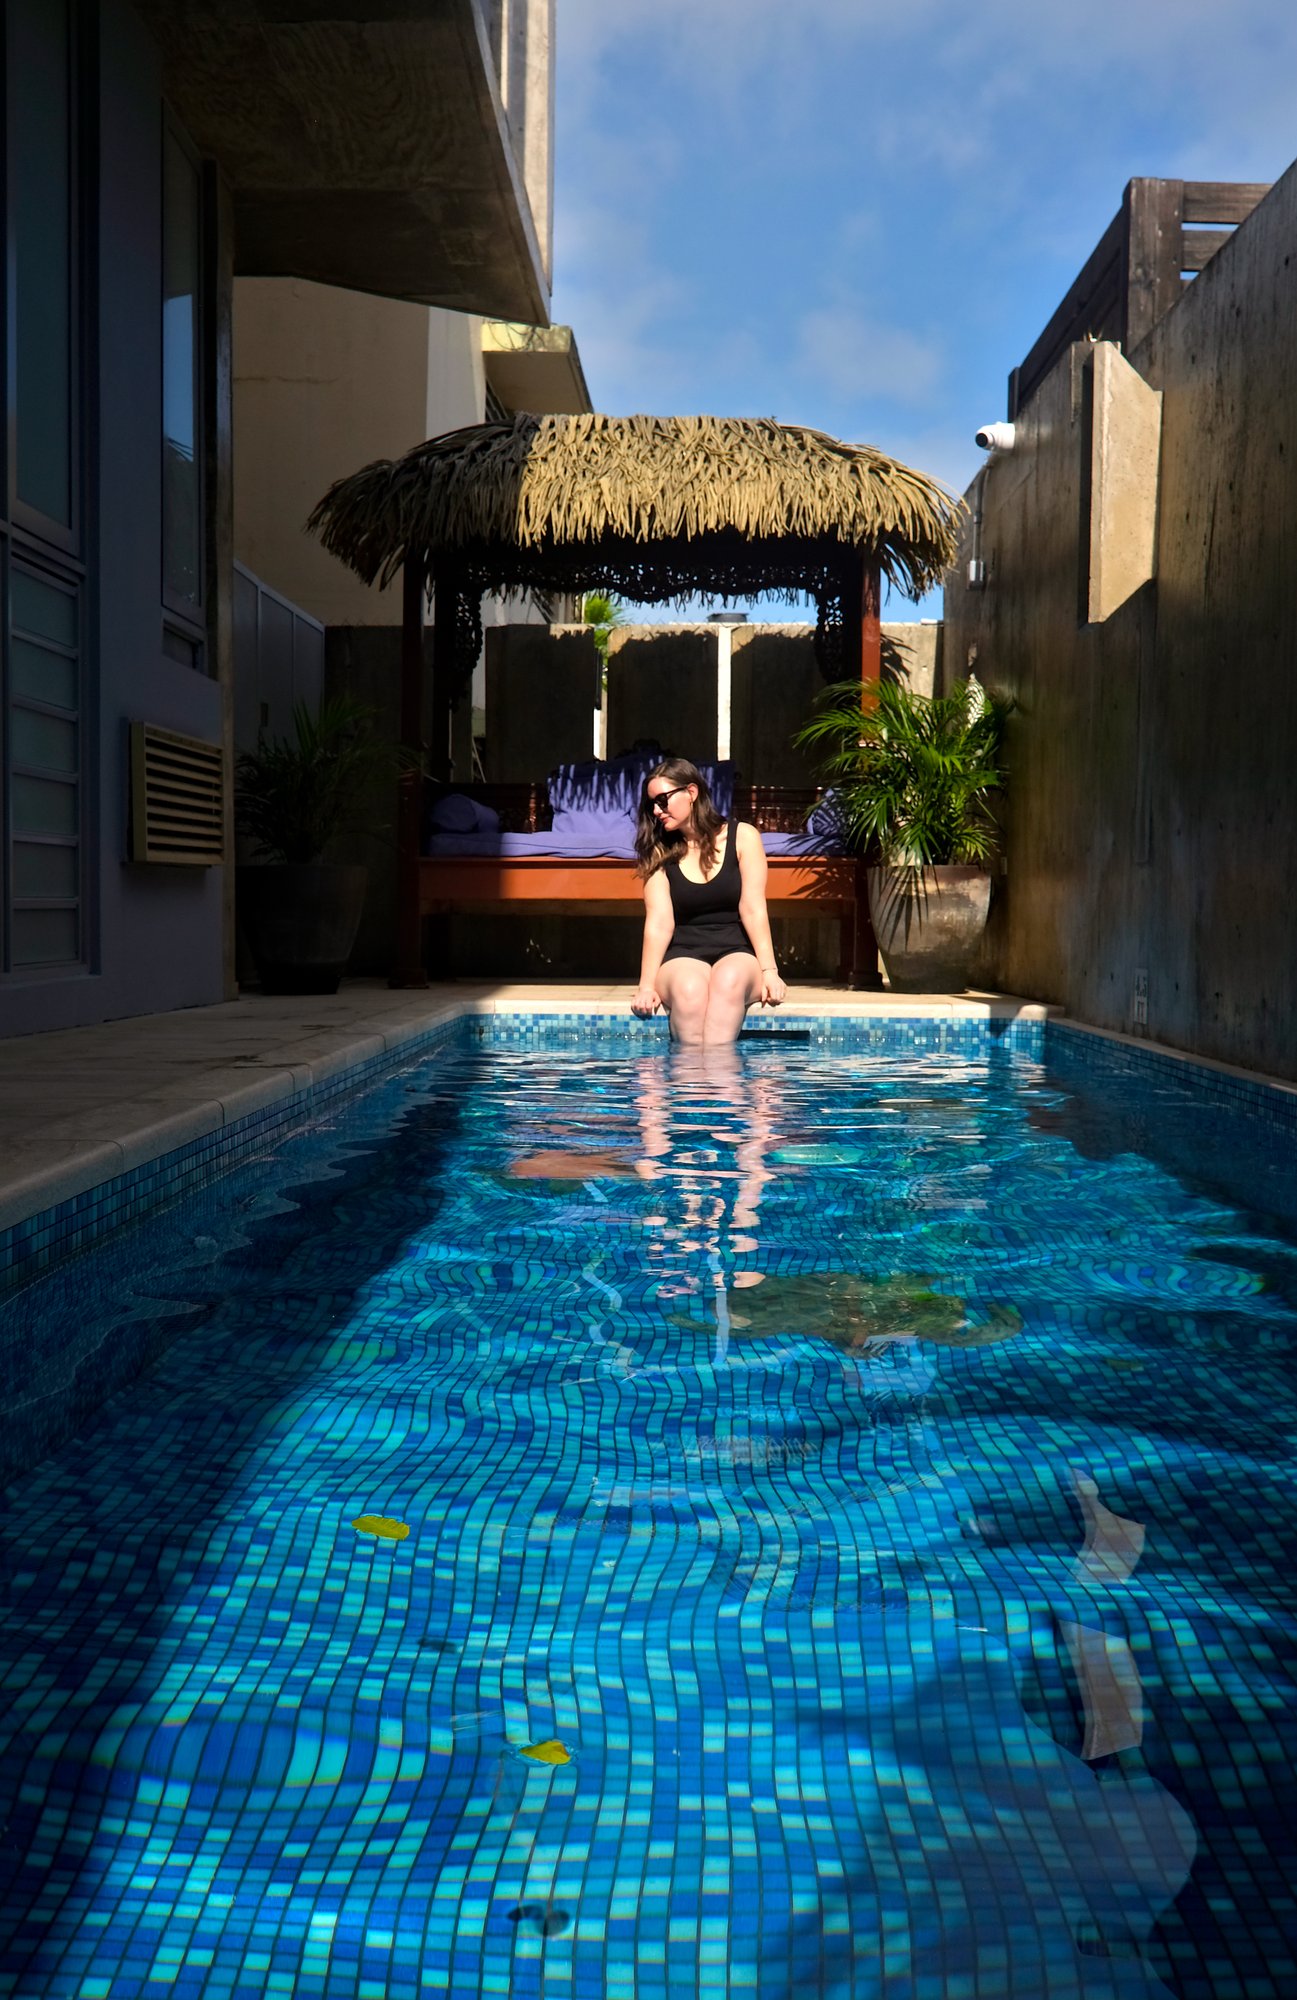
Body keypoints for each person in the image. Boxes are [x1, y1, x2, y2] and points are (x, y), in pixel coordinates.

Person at [630, 758, 787, 1043]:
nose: (656, 810)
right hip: (682, 953)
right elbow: (659, 923)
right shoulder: (659, 851)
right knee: (690, 990)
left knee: (728, 982)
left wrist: (770, 971)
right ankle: (693, 1084)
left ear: (691, 792)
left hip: (737, 950)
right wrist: (645, 985)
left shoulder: (743, 837)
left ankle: (719, 1083)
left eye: (663, 800)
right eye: (651, 804)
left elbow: (753, 908)